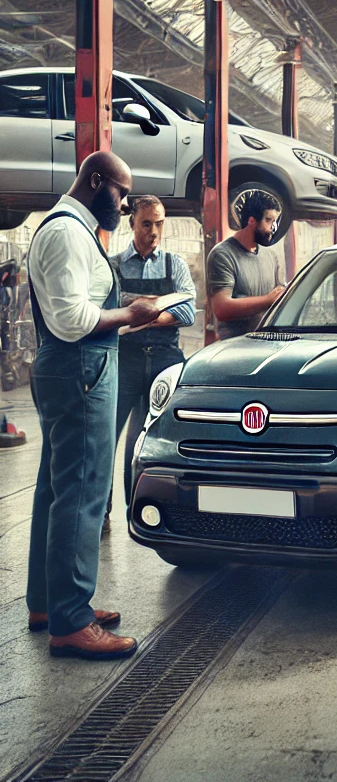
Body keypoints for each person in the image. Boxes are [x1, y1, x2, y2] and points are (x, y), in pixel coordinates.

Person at [26, 151, 161, 659]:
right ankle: (72, 620)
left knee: (57, 487)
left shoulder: (75, 228)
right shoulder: (65, 232)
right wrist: (131, 312)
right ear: (96, 180)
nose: (125, 204)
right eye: (122, 193)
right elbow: (72, 319)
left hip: (72, 369)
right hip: (80, 368)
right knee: (82, 490)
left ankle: (49, 601)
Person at [108, 196, 196, 517]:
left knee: (156, 438)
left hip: (165, 359)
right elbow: (110, 307)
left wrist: (142, 311)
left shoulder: (176, 265)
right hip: (124, 359)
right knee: (108, 436)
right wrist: (162, 303)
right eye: (147, 223)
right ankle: (100, 512)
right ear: (132, 223)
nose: (154, 231)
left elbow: (188, 311)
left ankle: (142, 508)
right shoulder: (114, 265)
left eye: (160, 223)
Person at [207, 191, 286, 341]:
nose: (274, 227)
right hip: (236, 348)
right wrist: (268, 300)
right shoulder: (223, 255)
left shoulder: (271, 255)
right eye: (269, 220)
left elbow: (279, 297)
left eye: (276, 221)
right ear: (251, 221)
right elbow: (221, 308)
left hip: (267, 344)